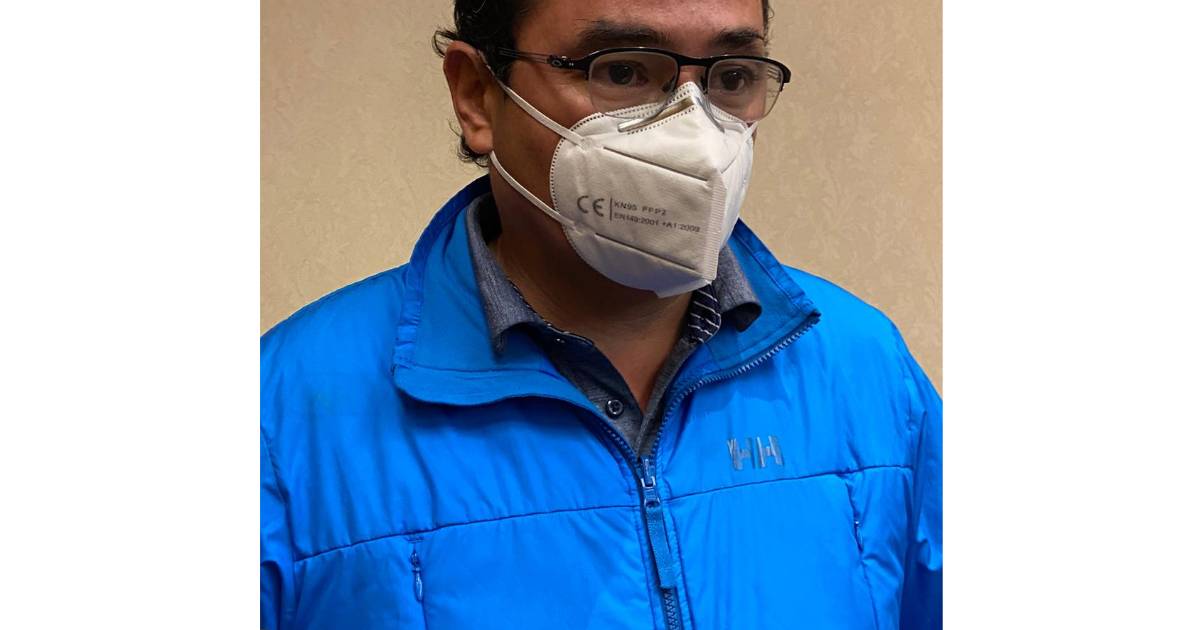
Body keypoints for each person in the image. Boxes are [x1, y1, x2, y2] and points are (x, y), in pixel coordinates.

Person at [260, 0, 942, 628]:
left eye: (731, 77)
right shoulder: (285, 416)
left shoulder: (865, 371)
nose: (695, 137)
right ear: (477, 95)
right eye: (621, 71)